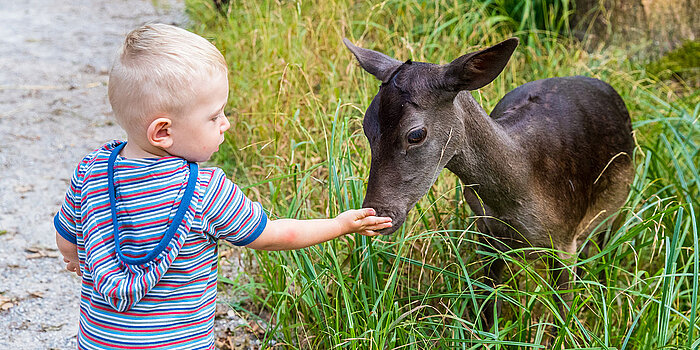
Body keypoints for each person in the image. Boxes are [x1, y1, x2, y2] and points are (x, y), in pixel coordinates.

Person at [54, 23, 392, 349]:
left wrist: (76, 259)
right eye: (214, 116)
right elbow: (274, 235)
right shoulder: (206, 191)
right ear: (162, 132)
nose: (225, 123)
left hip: (101, 341)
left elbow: (66, 236)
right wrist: (339, 224)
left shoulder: (93, 169)